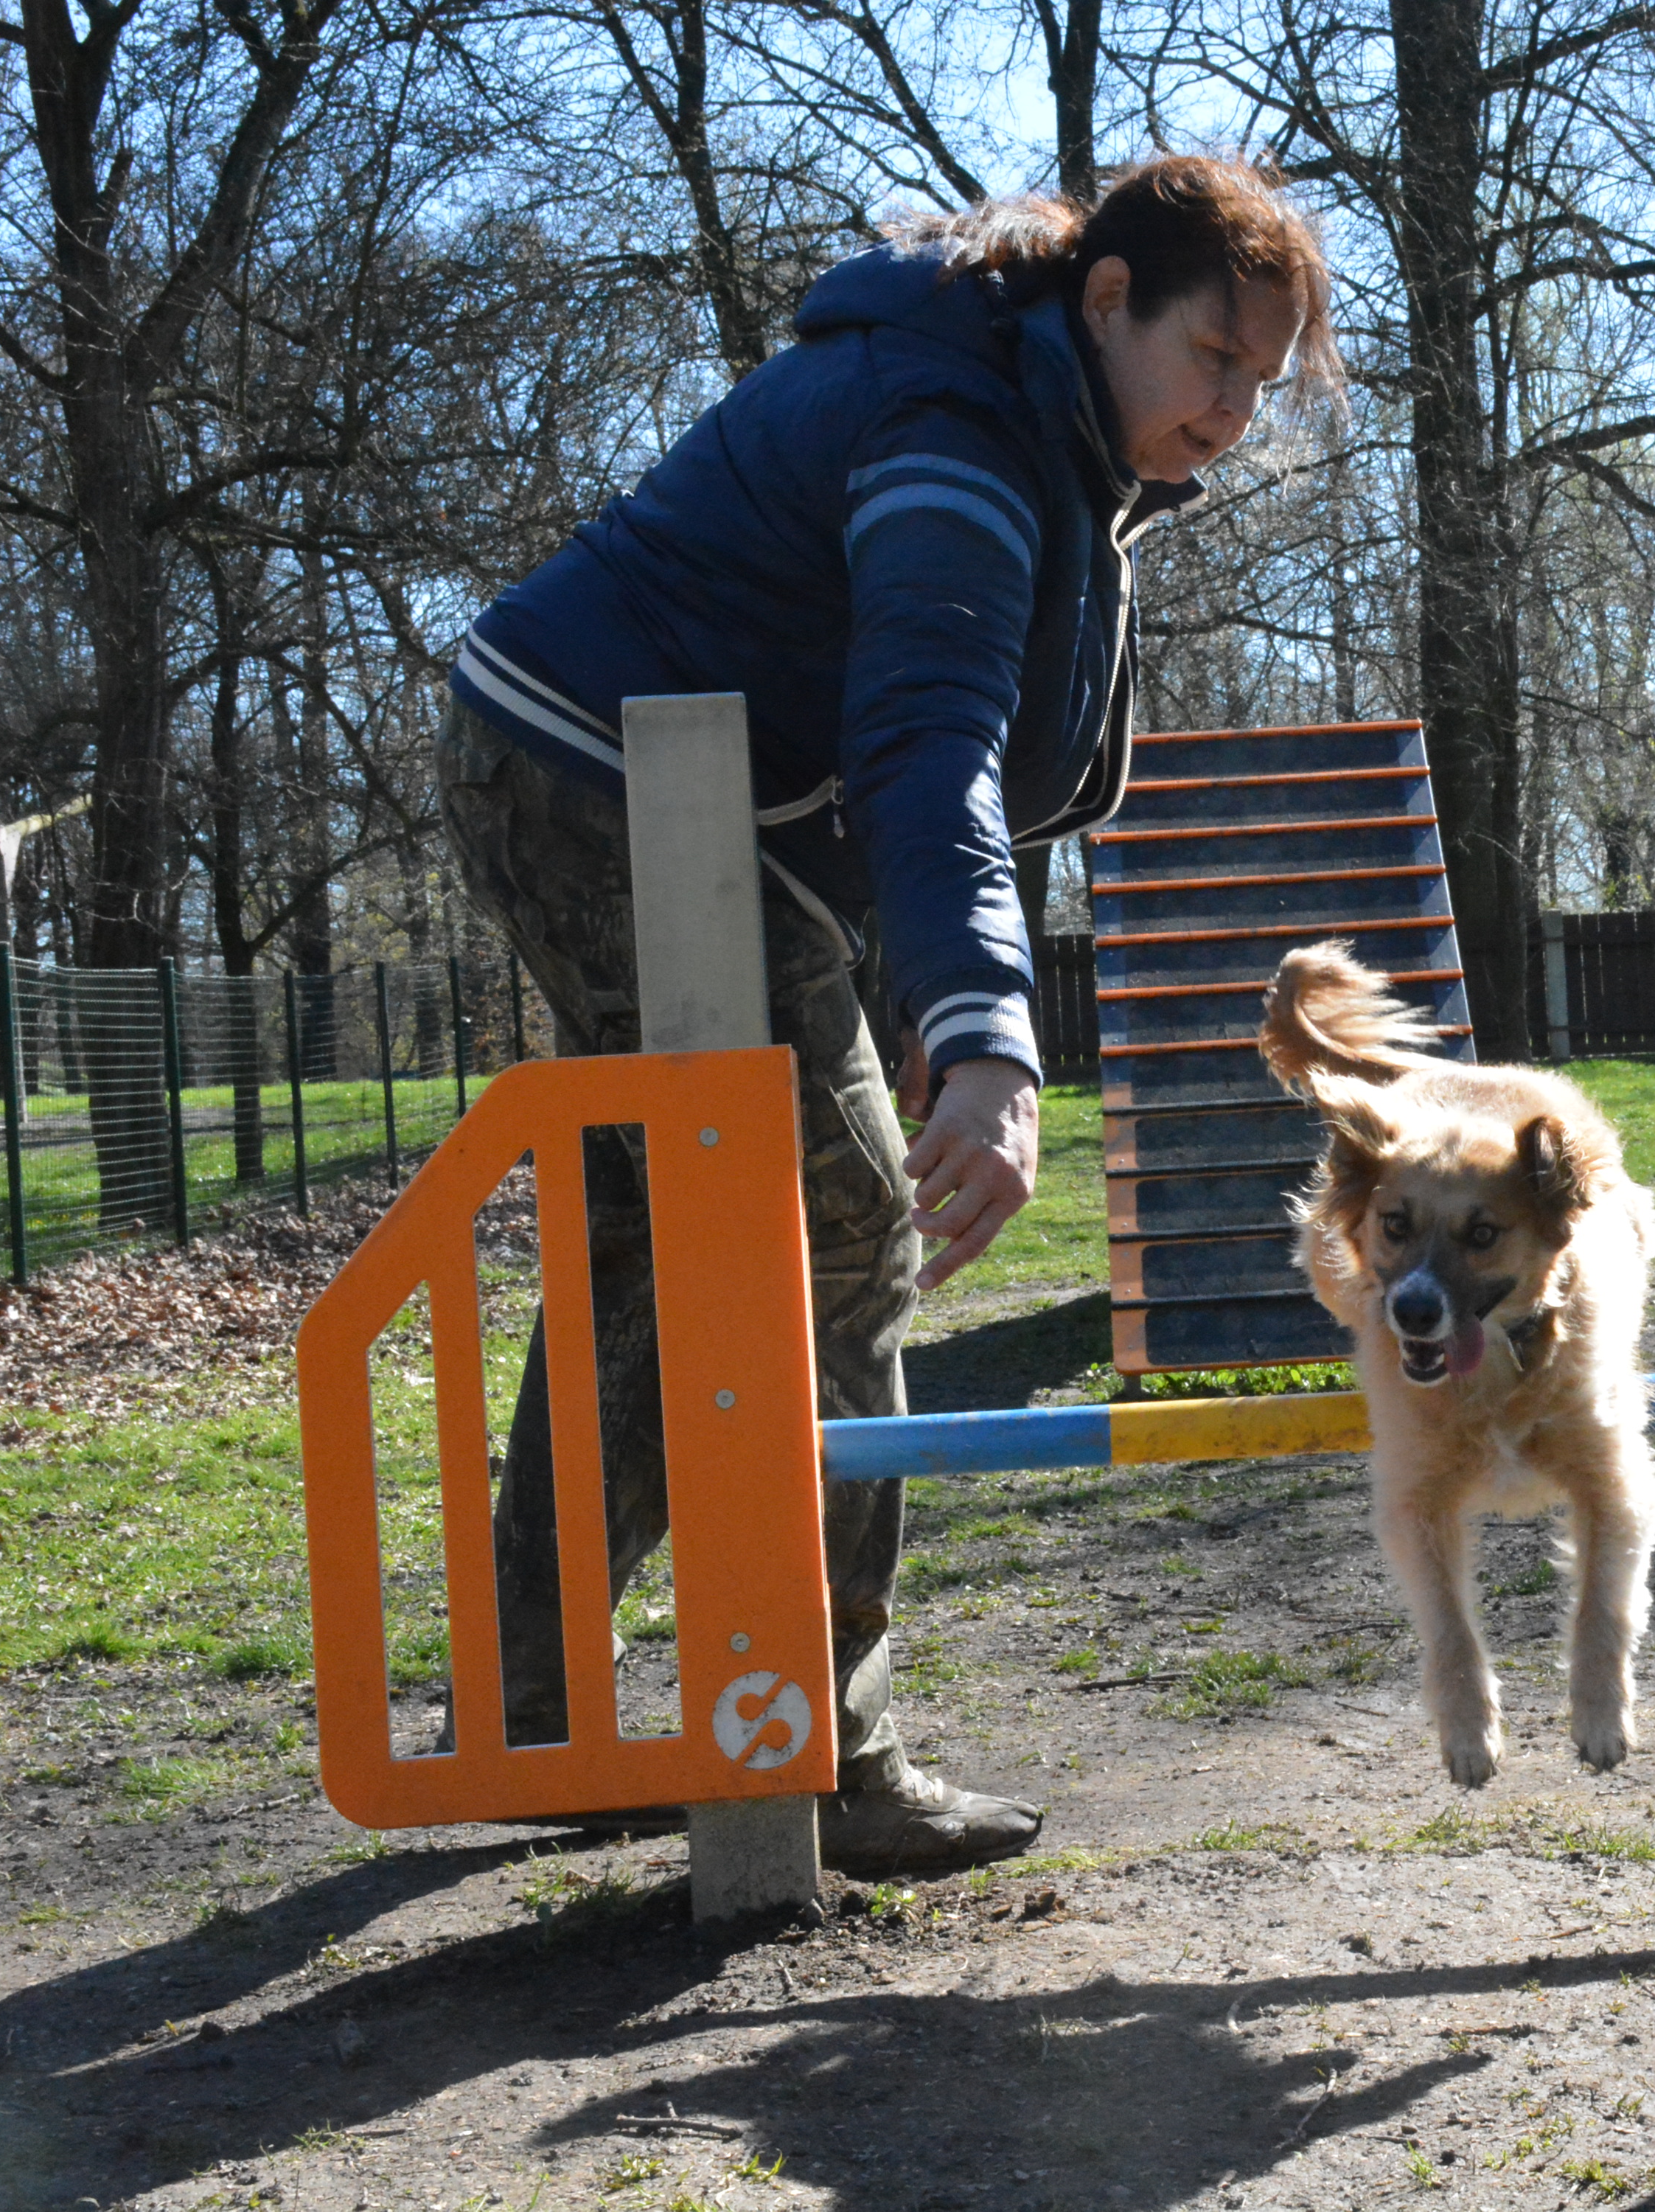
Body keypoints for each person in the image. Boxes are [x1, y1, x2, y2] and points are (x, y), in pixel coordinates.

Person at [436, 154, 1337, 1876]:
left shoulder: (1028, 416)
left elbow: (905, 762)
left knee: (651, 1236)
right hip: (607, 782)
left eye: (1261, 382)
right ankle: (829, 1747)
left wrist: (919, 986)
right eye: (1215, 355)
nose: (1236, 410)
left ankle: (531, 1707)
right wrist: (989, 1033)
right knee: (848, 1225)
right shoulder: (962, 436)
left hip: (609, 772)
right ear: (1105, 303)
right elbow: (928, 747)